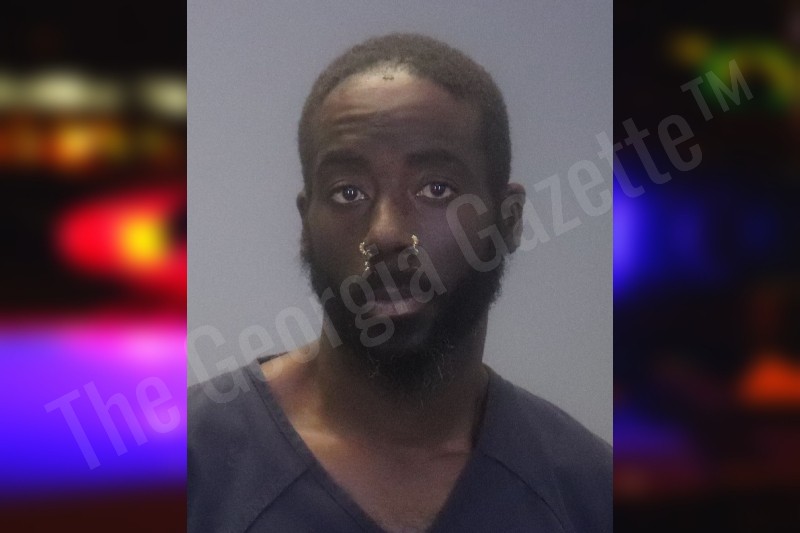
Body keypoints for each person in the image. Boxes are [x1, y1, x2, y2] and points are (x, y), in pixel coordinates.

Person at [188, 33, 611, 533]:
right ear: (305, 226)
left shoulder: (590, 494)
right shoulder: (183, 463)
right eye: (348, 192)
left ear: (509, 220)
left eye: (436, 188)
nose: (386, 233)